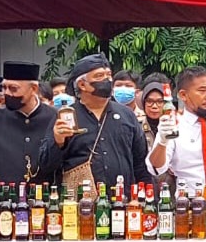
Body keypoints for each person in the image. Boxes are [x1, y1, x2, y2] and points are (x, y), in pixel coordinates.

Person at [0, 61, 73, 187]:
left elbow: (63, 158)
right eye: (4, 88)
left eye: (13, 89)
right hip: (4, 199)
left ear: (33, 89)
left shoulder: (54, 116)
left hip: (44, 198)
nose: (7, 93)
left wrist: (59, 142)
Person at [60, 53, 152, 192]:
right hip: (81, 202)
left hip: (123, 200)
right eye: (99, 76)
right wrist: (58, 141)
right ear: (82, 84)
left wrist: (145, 196)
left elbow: (141, 163)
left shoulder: (126, 115)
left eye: (109, 75)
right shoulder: (66, 116)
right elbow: (48, 164)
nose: (107, 80)